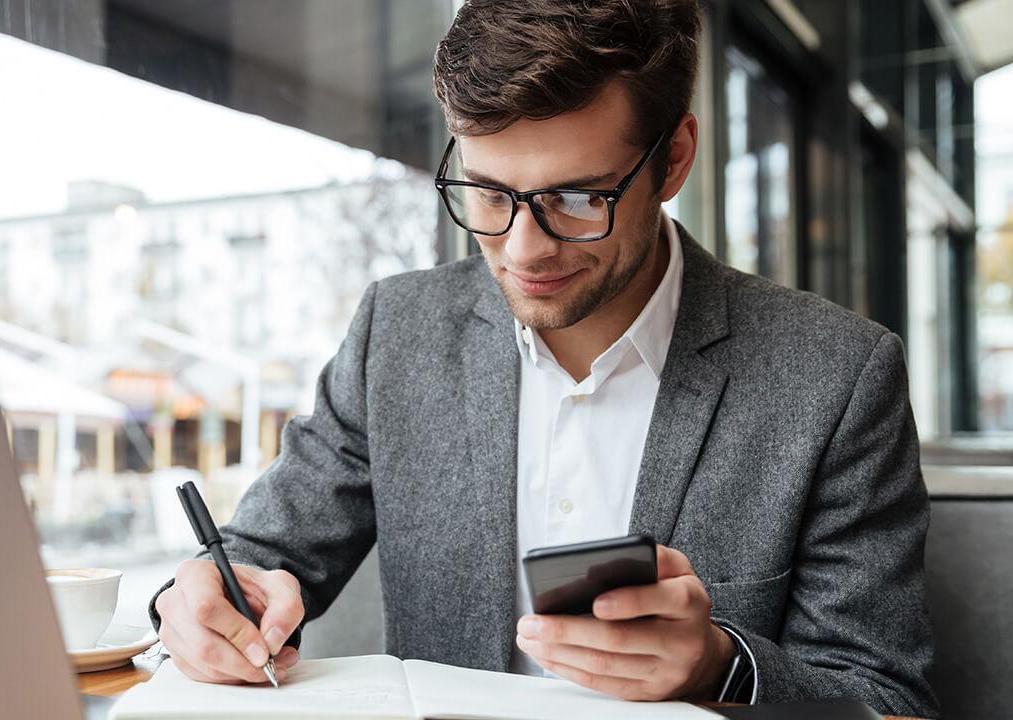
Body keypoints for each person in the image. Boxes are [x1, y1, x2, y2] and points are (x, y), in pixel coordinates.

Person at [148, 1, 937, 715]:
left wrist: (721, 667)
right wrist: (203, 602)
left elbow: (885, 699)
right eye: (490, 194)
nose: (524, 250)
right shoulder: (399, 331)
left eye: (579, 198)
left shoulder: (837, 377)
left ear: (674, 159)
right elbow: (261, 556)